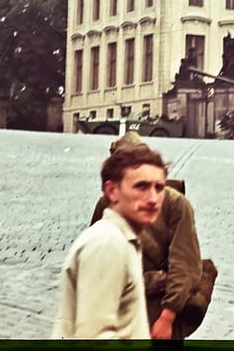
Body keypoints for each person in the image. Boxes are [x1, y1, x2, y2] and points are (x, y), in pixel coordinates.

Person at [90, 132, 207, 340]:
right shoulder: (107, 203)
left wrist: (167, 318)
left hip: (158, 307)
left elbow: (184, 265)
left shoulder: (176, 204)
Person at [52, 144, 167, 339]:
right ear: (112, 190)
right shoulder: (107, 244)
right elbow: (94, 337)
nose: (153, 198)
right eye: (142, 186)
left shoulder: (121, 240)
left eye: (159, 187)